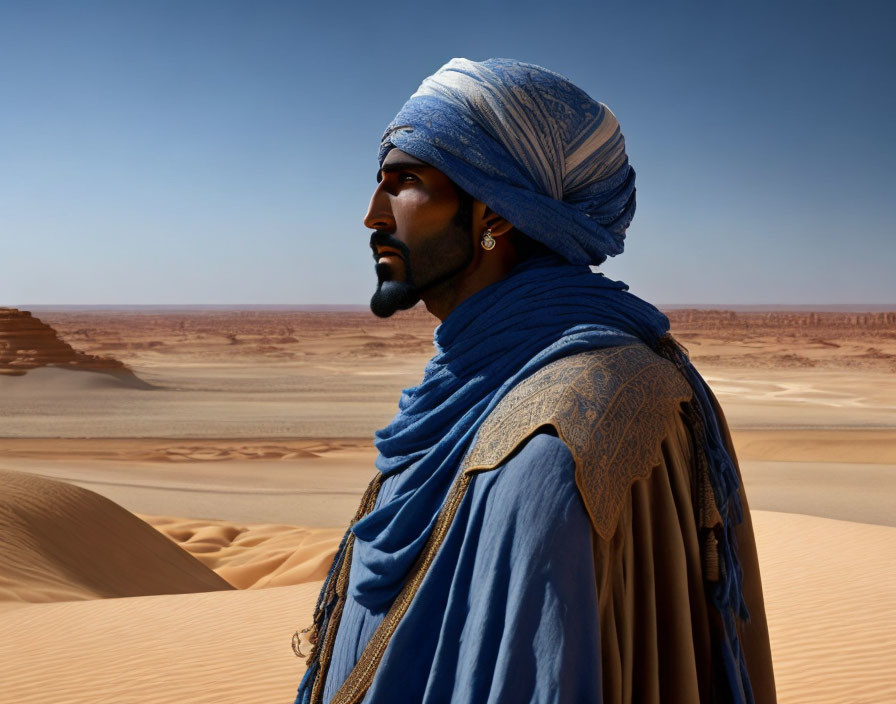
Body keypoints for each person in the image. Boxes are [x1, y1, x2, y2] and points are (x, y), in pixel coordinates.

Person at [294, 58, 776, 704]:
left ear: (496, 215)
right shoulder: (469, 397)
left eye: (405, 183)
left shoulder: (560, 439)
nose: (373, 215)